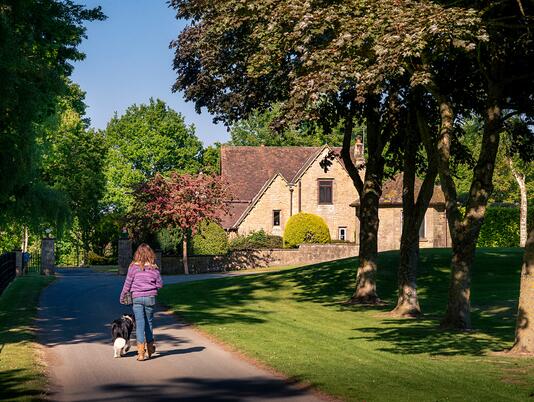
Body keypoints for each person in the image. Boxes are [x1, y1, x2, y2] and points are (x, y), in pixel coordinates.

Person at [120, 243, 163, 361]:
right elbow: (160, 284)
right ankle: (150, 349)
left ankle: (140, 353)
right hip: (150, 298)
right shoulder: (154, 268)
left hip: (137, 298)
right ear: (150, 254)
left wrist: (122, 296)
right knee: (148, 323)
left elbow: (127, 284)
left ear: (137, 254)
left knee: (140, 324)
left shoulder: (133, 267)